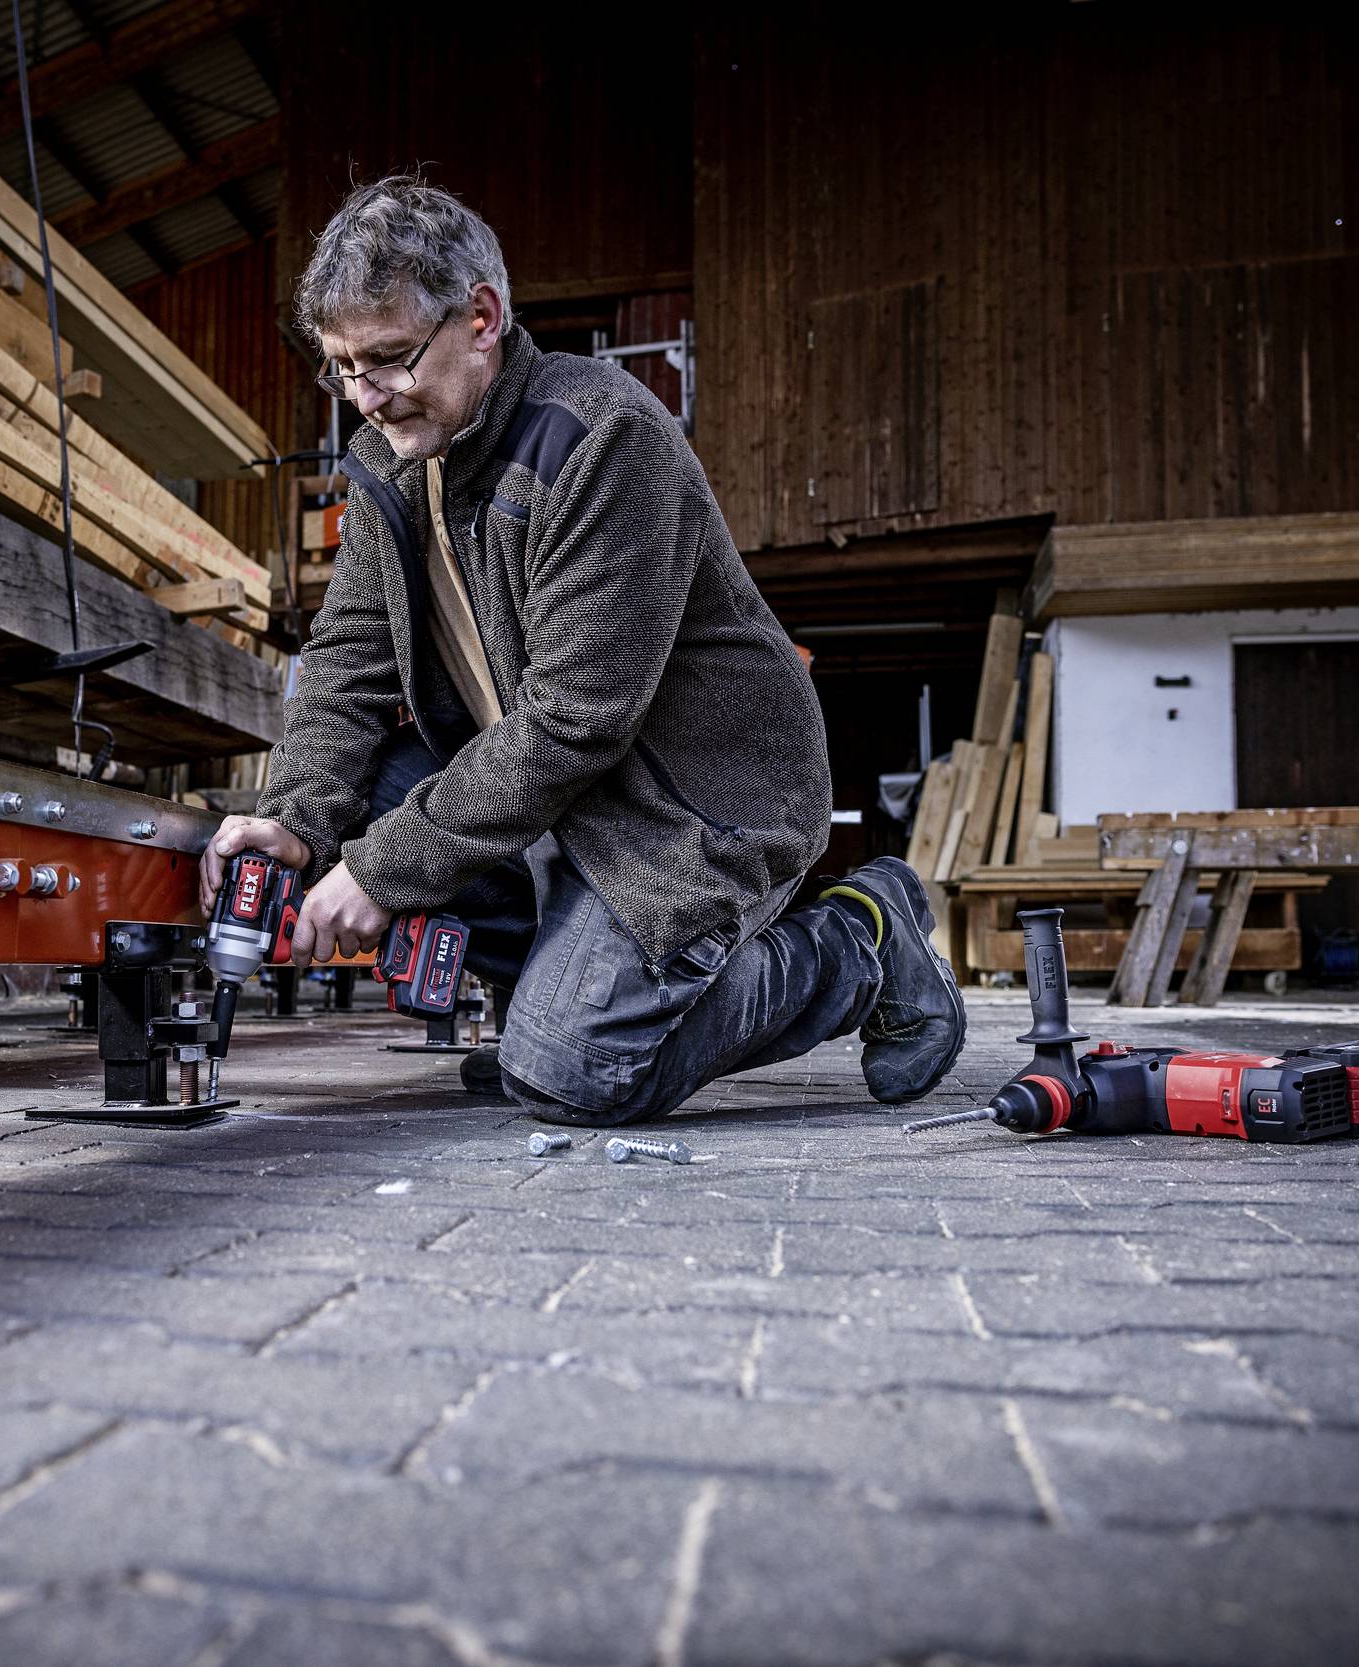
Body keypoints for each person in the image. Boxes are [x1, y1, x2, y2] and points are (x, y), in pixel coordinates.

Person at [200, 177, 964, 1126]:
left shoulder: (603, 440)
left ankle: (860, 937)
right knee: (367, 792)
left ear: (482, 317)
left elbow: (573, 722)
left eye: (391, 359)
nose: (368, 398)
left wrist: (380, 871)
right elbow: (348, 660)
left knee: (576, 1069)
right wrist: (295, 823)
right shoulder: (395, 466)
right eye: (344, 369)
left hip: (689, 807)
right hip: (565, 807)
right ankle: (557, 998)